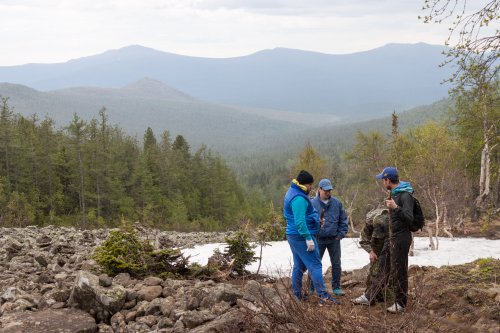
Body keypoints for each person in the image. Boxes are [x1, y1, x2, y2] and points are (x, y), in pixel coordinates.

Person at [353, 167, 414, 313]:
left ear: (388, 180)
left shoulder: (405, 195)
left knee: (400, 271)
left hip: (401, 238)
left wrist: (395, 207)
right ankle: (369, 296)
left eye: (383, 179)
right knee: (382, 267)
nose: (382, 182)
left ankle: (401, 304)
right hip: (391, 236)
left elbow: (409, 219)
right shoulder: (395, 192)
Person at [283, 170, 339, 305]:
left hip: (293, 235)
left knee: (299, 266)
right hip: (301, 236)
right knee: (315, 264)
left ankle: (297, 295)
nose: (311, 188)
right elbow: (299, 221)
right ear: (304, 184)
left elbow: (302, 216)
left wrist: (314, 219)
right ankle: (323, 297)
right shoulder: (299, 198)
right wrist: (308, 238)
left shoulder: (293, 191)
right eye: (310, 185)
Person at [310, 178, 349, 296]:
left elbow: (343, 220)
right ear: (319, 189)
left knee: (336, 263)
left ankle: (336, 287)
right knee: (315, 264)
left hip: (334, 239)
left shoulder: (337, 203)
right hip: (318, 239)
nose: (328, 192)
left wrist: (340, 235)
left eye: (330, 190)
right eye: (326, 190)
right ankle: (311, 288)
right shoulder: (312, 204)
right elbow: (308, 221)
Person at [359, 207, 393, 303]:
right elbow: (363, 240)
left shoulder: (391, 222)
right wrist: (371, 252)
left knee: (391, 274)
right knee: (375, 273)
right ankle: (371, 295)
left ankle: (386, 294)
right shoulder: (370, 223)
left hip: (391, 249)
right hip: (376, 251)